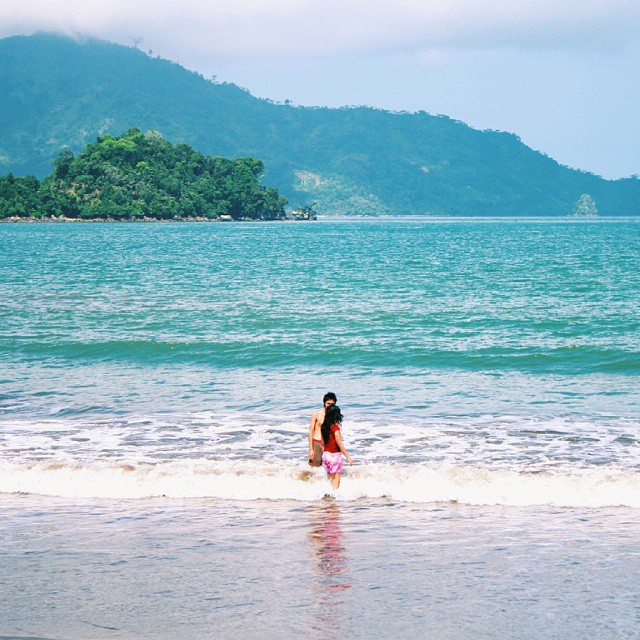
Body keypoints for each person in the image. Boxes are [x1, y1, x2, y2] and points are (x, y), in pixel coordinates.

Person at [321, 405, 353, 489]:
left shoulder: (323, 426)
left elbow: (323, 442)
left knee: (330, 479)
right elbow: (339, 444)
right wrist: (348, 457)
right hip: (334, 455)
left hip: (326, 455)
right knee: (336, 480)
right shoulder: (335, 427)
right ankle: (334, 499)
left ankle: (328, 497)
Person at [308, 392, 337, 467]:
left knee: (330, 468)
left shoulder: (334, 416)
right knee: (314, 467)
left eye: (332, 404)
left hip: (328, 444)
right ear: (324, 403)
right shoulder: (316, 414)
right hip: (317, 442)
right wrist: (311, 449)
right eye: (328, 403)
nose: (330, 406)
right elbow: (311, 431)